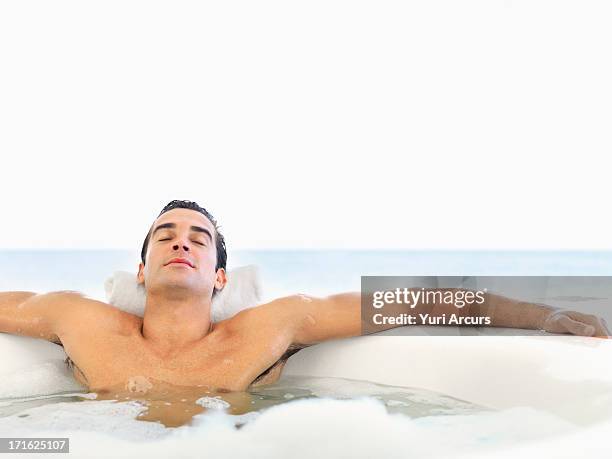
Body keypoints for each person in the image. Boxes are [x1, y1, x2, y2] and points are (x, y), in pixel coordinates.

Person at [0, 200, 609, 395]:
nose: (180, 244)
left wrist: (545, 313)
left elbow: (412, 303)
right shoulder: (76, 319)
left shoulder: (271, 327)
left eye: (198, 239)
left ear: (218, 275)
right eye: (165, 236)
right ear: (141, 268)